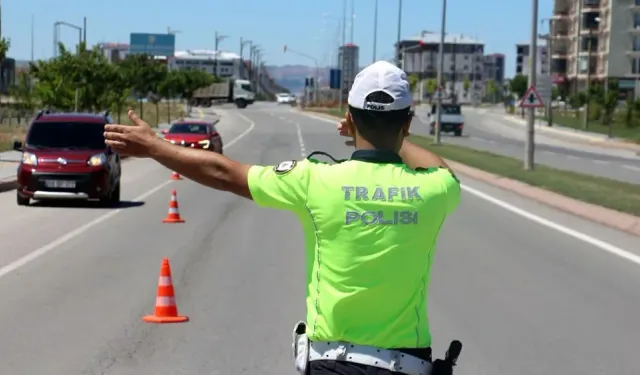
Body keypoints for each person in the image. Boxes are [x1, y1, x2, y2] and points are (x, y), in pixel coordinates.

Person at [104, 60, 461, 375]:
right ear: (408, 122)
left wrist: (155, 147)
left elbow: (224, 173)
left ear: (349, 118)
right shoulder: (434, 191)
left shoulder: (315, 180)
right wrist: (391, 138)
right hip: (408, 365)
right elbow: (441, 168)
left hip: (332, 364)